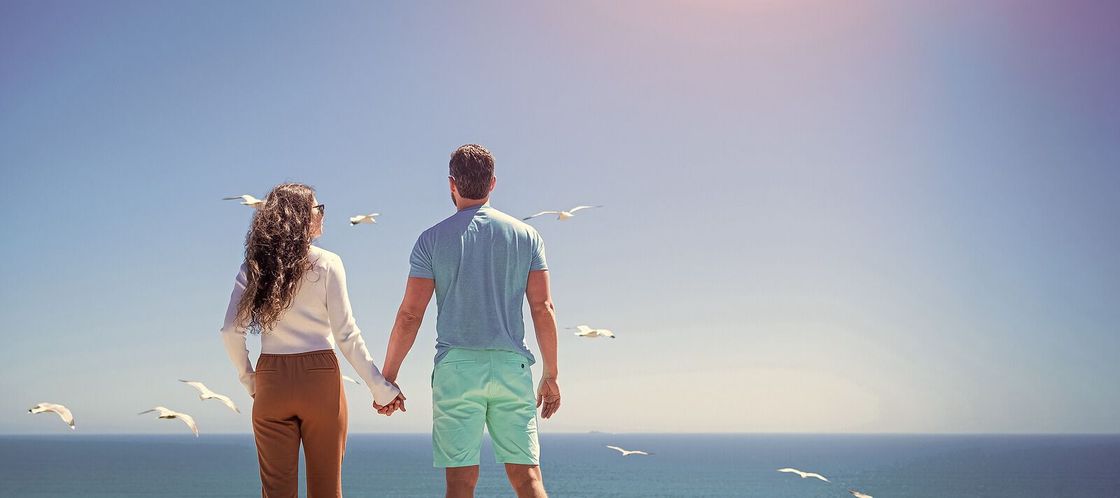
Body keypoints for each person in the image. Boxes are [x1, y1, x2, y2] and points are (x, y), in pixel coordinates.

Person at [379, 145, 562, 498]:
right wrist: (551, 375)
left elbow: (409, 315)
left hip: (457, 369)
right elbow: (543, 308)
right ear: (493, 183)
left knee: (461, 484)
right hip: (511, 366)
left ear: (451, 184)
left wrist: (388, 378)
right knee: (528, 480)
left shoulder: (431, 240)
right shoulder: (528, 236)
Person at [219, 182, 403, 498]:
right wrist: (381, 389)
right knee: (326, 491)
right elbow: (346, 334)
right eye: (319, 208)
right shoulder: (329, 263)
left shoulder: (254, 266)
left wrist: (251, 381)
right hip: (321, 380)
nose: (322, 214)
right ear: (303, 216)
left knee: (276, 493)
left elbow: (230, 331)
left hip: (271, 380)